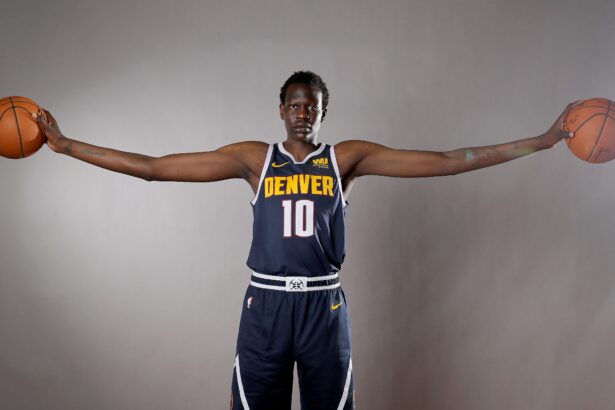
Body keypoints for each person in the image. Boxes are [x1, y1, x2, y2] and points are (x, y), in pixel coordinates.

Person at [34, 71, 578, 410]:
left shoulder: (346, 159)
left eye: (311, 105)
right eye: (294, 105)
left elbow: (446, 161)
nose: (302, 113)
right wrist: (67, 146)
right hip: (266, 306)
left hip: (323, 307)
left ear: (323, 112)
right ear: (281, 110)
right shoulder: (255, 159)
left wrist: (543, 141)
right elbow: (155, 168)